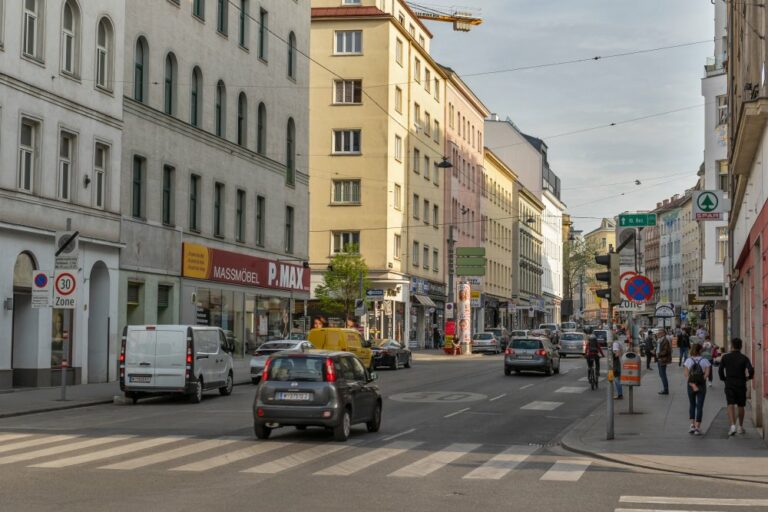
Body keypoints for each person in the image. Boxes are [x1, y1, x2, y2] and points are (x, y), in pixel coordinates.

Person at [718, 338, 755, 436]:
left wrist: (724, 379)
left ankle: (732, 426)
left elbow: (720, 370)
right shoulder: (744, 358)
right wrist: (748, 377)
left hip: (729, 383)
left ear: (732, 346)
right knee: (741, 405)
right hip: (741, 383)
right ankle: (740, 427)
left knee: (730, 404)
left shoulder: (726, 357)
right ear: (741, 346)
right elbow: (751, 369)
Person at [683, 343, 711, 436]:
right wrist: (699, 383)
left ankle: (692, 425)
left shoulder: (688, 361)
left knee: (692, 404)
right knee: (700, 406)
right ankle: (697, 427)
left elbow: (686, 375)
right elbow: (706, 375)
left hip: (690, 386)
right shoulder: (705, 361)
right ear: (700, 350)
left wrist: (693, 385)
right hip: (701, 385)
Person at [656, 329, 672, 395]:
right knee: (661, 374)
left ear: (663, 333)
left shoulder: (665, 340)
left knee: (663, 375)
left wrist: (658, 354)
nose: (658, 334)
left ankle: (666, 390)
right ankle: (665, 389)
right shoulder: (660, 340)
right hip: (660, 359)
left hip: (663, 359)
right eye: (658, 333)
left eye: (659, 333)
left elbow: (665, 351)